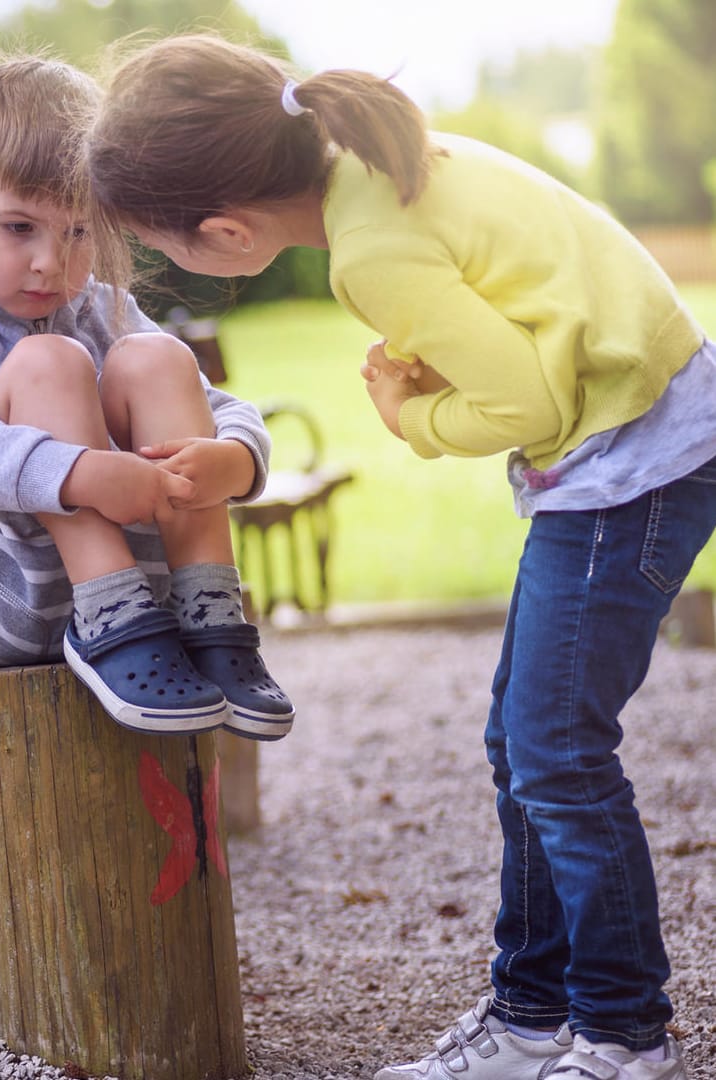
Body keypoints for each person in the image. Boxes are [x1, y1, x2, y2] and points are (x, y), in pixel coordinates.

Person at [85, 31, 716, 1080]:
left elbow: (527, 402)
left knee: (556, 750)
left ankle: (621, 1033)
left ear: (229, 231)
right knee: (527, 743)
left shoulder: (373, 253)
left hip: (634, 460)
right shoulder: (380, 162)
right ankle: (529, 1017)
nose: (171, 267)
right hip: (643, 430)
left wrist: (408, 417)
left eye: (166, 248)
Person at [0, 53, 294, 740]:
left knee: (156, 356)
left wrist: (236, 457)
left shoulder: (100, 306)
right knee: (48, 363)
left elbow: (209, 401)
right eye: (20, 229)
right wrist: (77, 473)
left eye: (79, 232)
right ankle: (112, 616)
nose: (52, 262)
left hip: (149, 602)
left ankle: (211, 609)